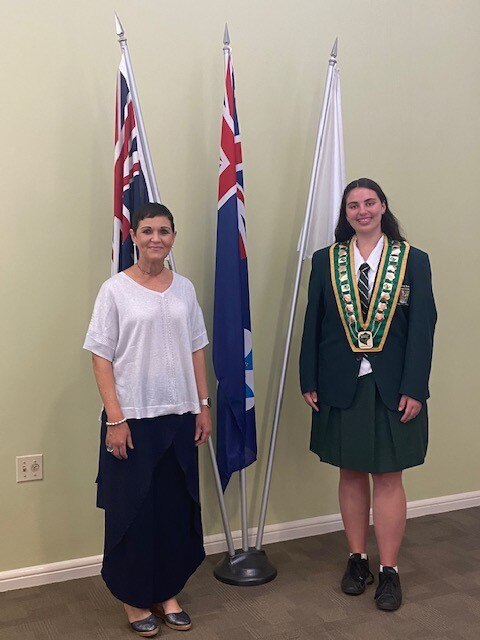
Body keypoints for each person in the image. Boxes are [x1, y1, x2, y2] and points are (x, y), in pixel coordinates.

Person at [300, 178, 436, 611]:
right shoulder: (326, 261)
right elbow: (313, 324)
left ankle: (390, 570)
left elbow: (423, 328)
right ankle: (357, 559)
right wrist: (309, 378)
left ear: (382, 207)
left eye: (369, 203)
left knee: (390, 477)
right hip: (342, 383)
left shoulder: (412, 260)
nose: (362, 211)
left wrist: (415, 386)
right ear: (346, 213)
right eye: (353, 205)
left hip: (392, 387)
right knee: (351, 473)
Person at [84, 202, 211, 637]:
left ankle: (167, 590)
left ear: (173, 237)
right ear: (133, 237)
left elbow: (197, 348)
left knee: (174, 511)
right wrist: (115, 420)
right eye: (147, 231)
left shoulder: (185, 290)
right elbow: (101, 359)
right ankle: (135, 599)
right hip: (132, 420)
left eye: (164, 231)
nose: (156, 238)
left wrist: (202, 404)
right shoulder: (114, 291)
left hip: (178, 417)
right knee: (133, 513)